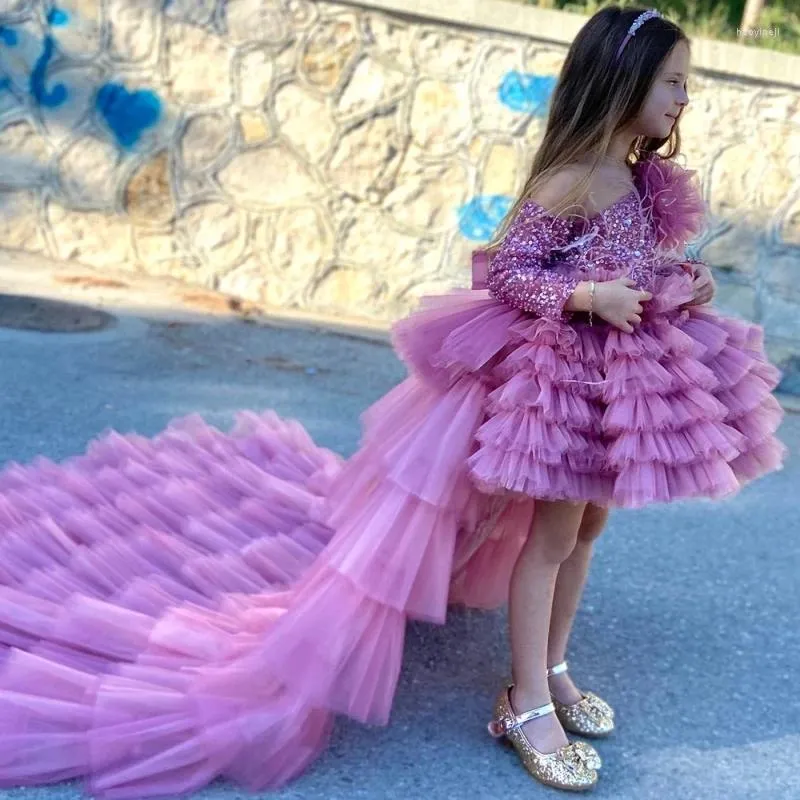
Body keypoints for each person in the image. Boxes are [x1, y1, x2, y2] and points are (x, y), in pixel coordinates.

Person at [0, 5, 787, 797]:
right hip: (565, 384)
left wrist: (681, 283)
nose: (685, 97)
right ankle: (526, 700)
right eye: (673, 81)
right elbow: (505, 271)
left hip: (623, 384)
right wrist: (586, 294)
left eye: (687, 82)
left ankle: (554, 663)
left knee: (588, 526)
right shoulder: (576, 174)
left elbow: (639, 262)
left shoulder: (642, 180)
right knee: (549, 538)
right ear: (621, 83)